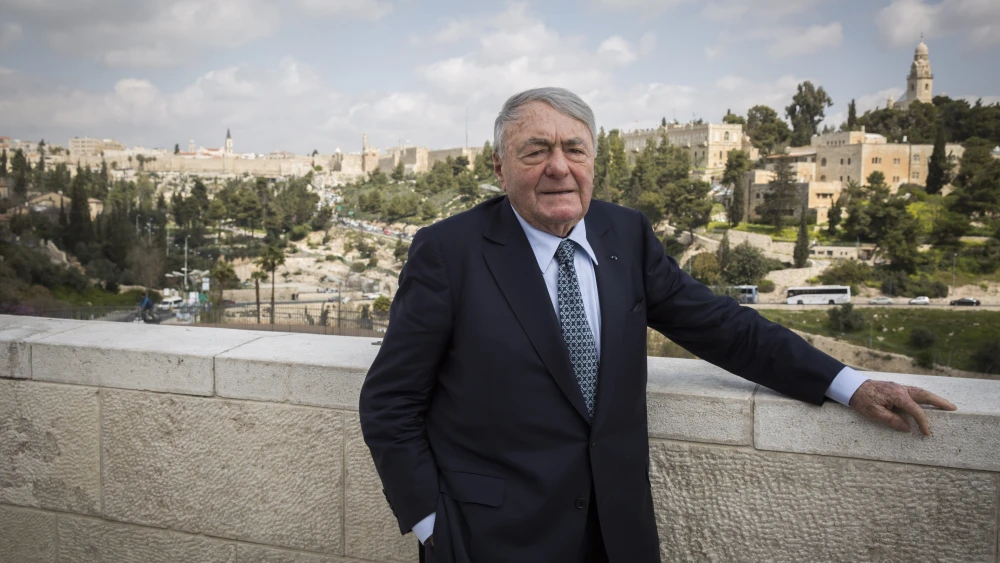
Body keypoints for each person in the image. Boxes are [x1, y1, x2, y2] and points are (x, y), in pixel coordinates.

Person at [358, 88, 956, 563]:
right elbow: (390, 401)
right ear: (500, 166)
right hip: (488, 537)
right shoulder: (449, 251)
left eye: (575, 149)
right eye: (535, 150)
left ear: (596, 161)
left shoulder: (625, 234)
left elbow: (725, 328)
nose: (558, 168)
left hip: (617, 533)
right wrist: (431, 523)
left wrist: (850, 384)